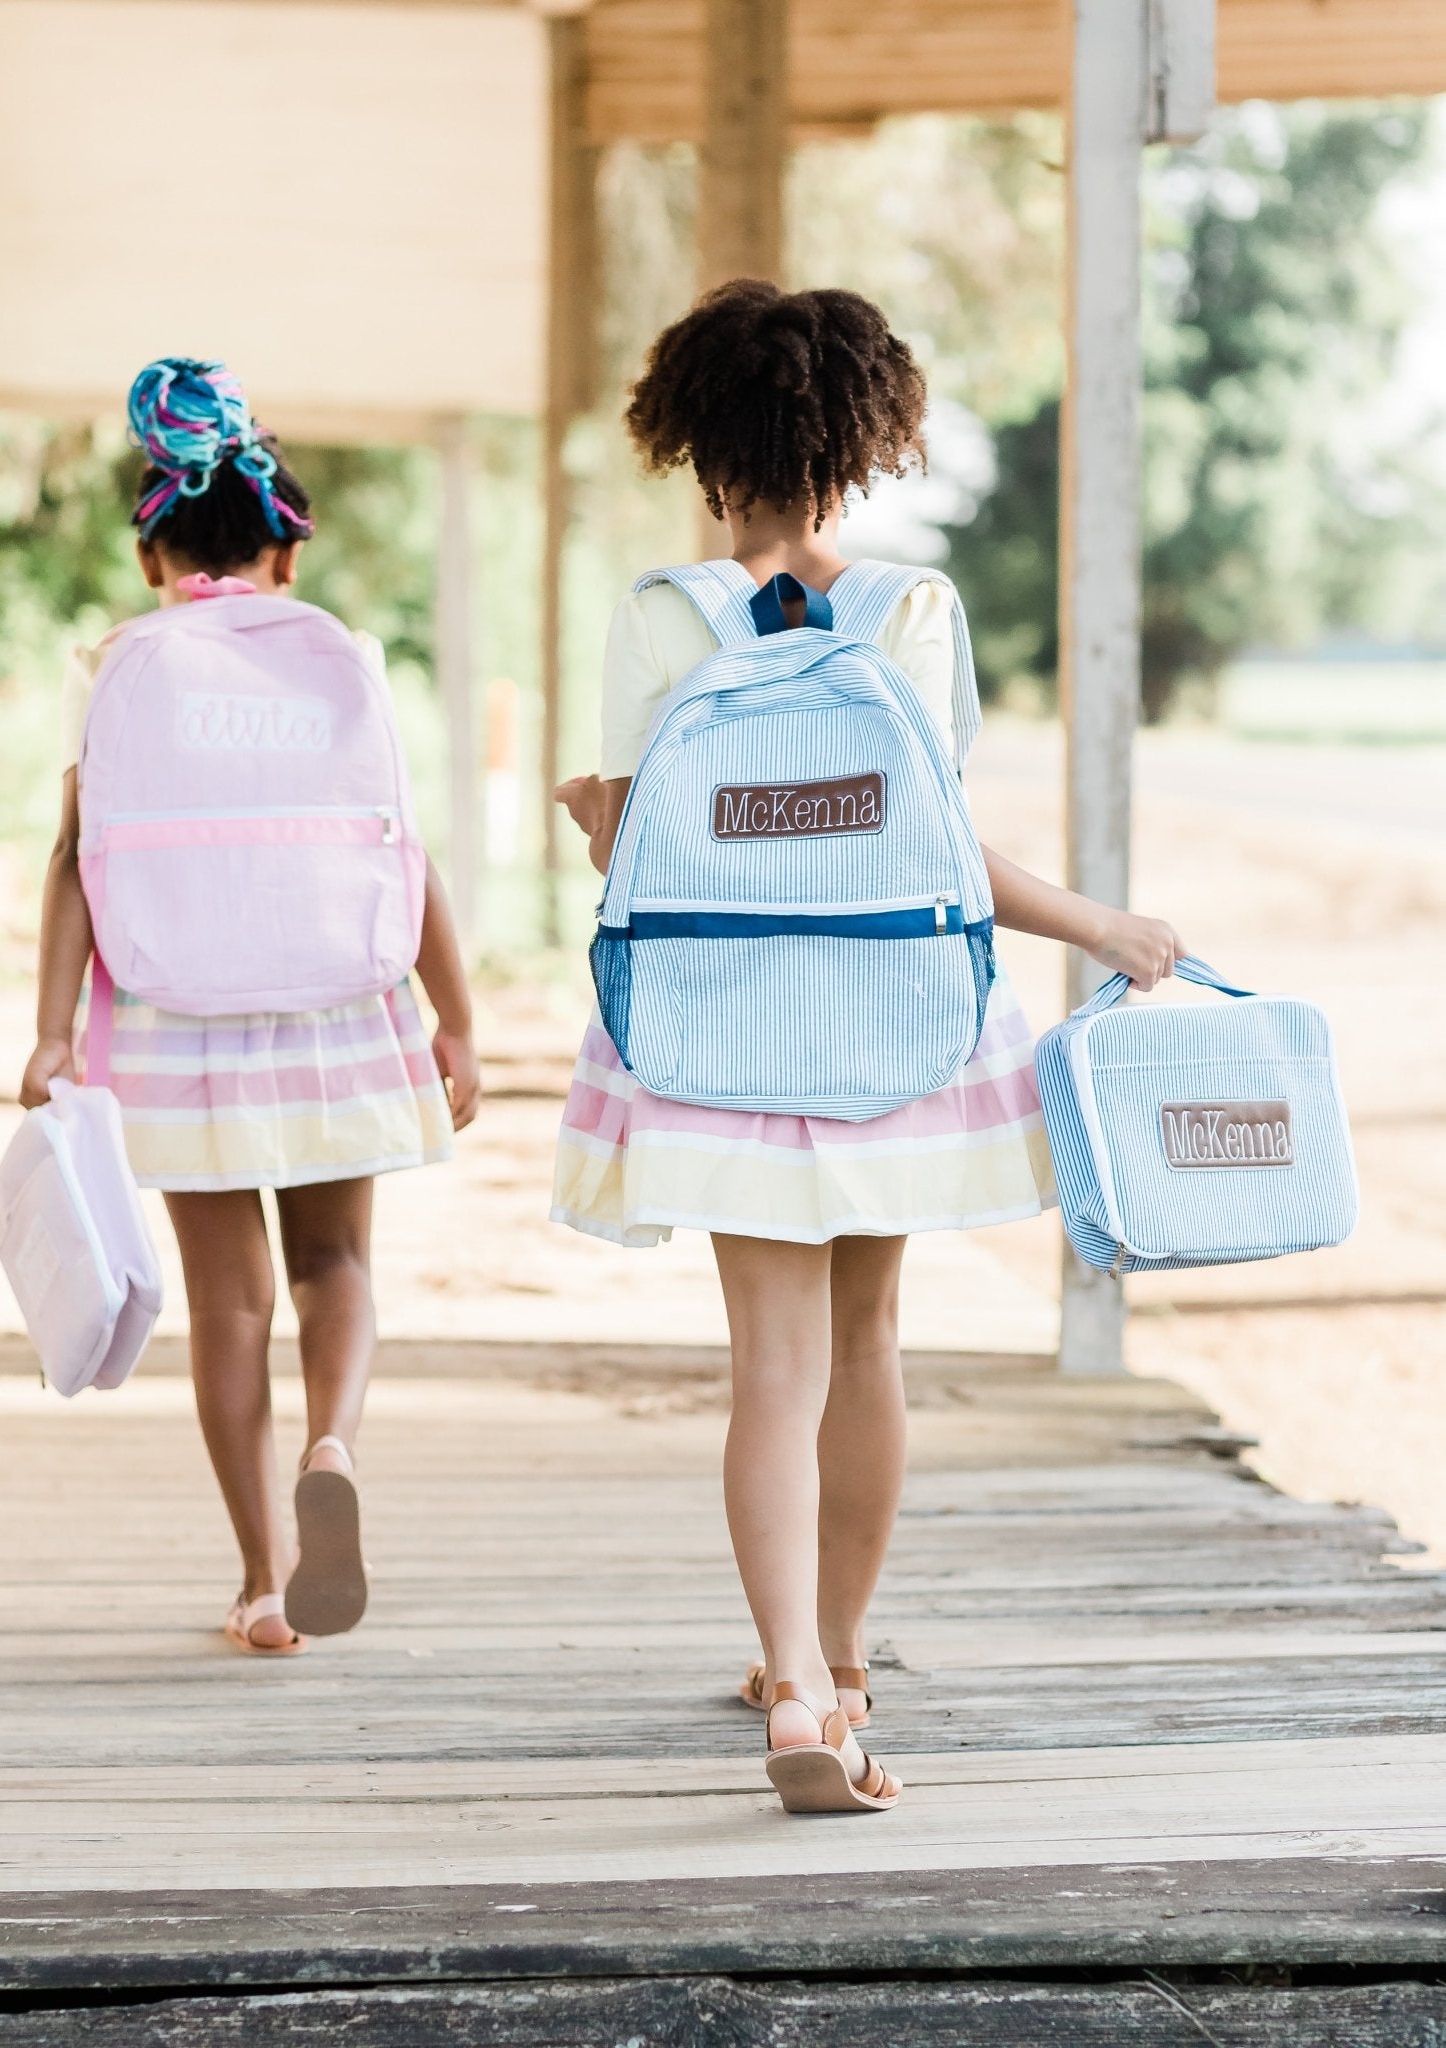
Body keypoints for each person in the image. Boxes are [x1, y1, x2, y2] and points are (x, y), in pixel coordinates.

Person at [553, 281, 1183, 1813]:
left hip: (713, 1034)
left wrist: (588, 819)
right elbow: (942, 851)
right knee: (865, 1347)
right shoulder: (912, 611)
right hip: (894, 1025)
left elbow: (636, 845)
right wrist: (1101, 924)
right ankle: (840, 1665)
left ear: (700, 445)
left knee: (767, 1372)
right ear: (859, 444)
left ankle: (785, 1687)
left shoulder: (661, 614)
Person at [20, 359, 479, 1655]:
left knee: (229, 1303)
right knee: (338, 1267)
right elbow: (405, 853)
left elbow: (73, 861)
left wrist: (52, 1033)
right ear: (286, 552)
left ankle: (265, 1582)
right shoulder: (344, 658)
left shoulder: (117, 664)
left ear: (150, 552)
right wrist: (455, 1018)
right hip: (338, 1006)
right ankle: (333, 1444)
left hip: (177, 1015)